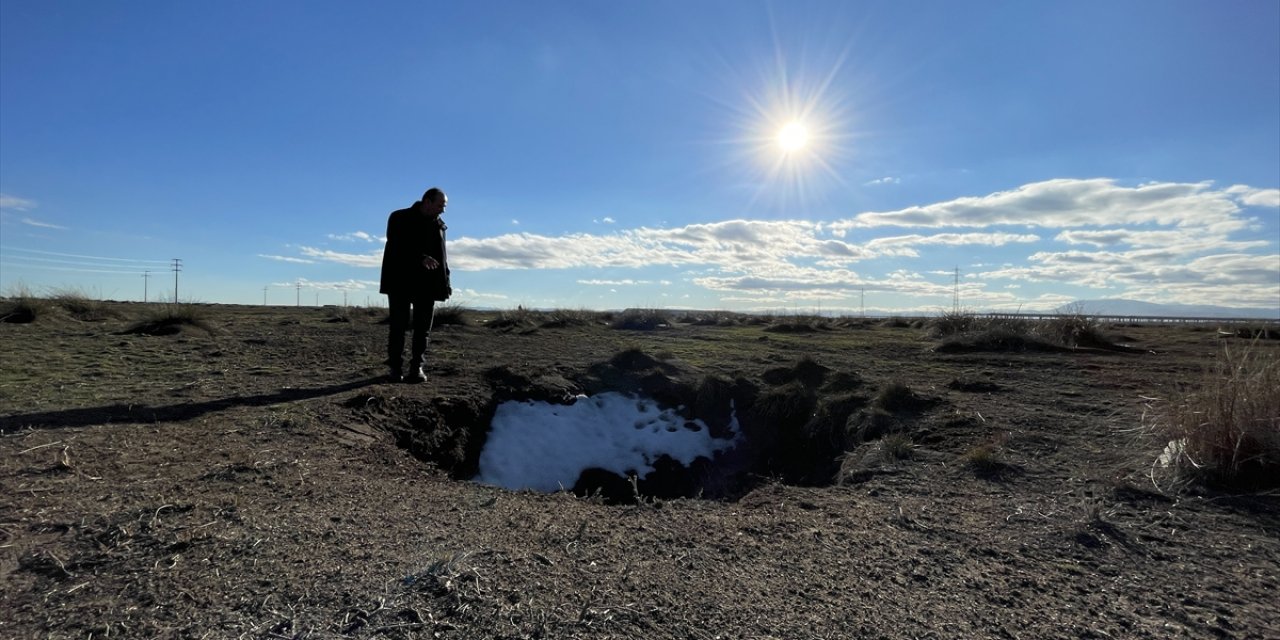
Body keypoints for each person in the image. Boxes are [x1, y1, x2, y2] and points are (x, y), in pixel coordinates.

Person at [379, 187, 452, 383]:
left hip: (426, 284)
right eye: (440, 205)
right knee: (398, 326)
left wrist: (446, 281)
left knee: (423, 328)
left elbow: (442, 256)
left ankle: (416, 367)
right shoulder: (399, 217)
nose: (442, 210)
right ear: (427, 201)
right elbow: (395, 244)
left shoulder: (439, 225)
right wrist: (420, 257)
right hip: (399, 281)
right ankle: (395, 368)